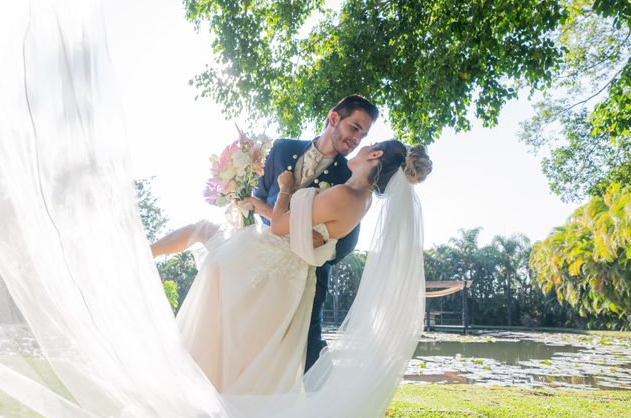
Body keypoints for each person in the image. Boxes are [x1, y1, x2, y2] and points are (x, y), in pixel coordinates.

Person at [152, 139, 431, 394]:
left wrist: (286, 187)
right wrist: (260, 207)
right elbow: (300, 229)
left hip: (272, 265)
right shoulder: (362, 199)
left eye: (369, 142)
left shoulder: (345, 195)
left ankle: (143, 254)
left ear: (376, 154)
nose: (363, 144)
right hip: (287, 275)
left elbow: (278, 225)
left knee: (202, 235)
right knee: (241, 344)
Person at [248, 95, 379, 372]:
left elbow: (347, 243)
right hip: (261, 265)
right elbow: (259, 197)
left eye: (364, 134)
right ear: (334, 118)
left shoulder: (350, 175)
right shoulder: (283, 148)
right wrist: (295, 231)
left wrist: (325, 242)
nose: (357, 139)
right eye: (354, 128)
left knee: (308, 350)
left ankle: (323, 410)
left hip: (308, 275)